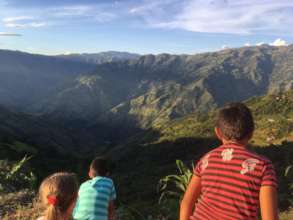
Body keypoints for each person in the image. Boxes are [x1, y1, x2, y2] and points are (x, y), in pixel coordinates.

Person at [180, 103, 278, 220]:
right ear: (251, 133)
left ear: (217, 132)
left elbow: (186, 203)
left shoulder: (206, 159)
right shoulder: (263, 167)